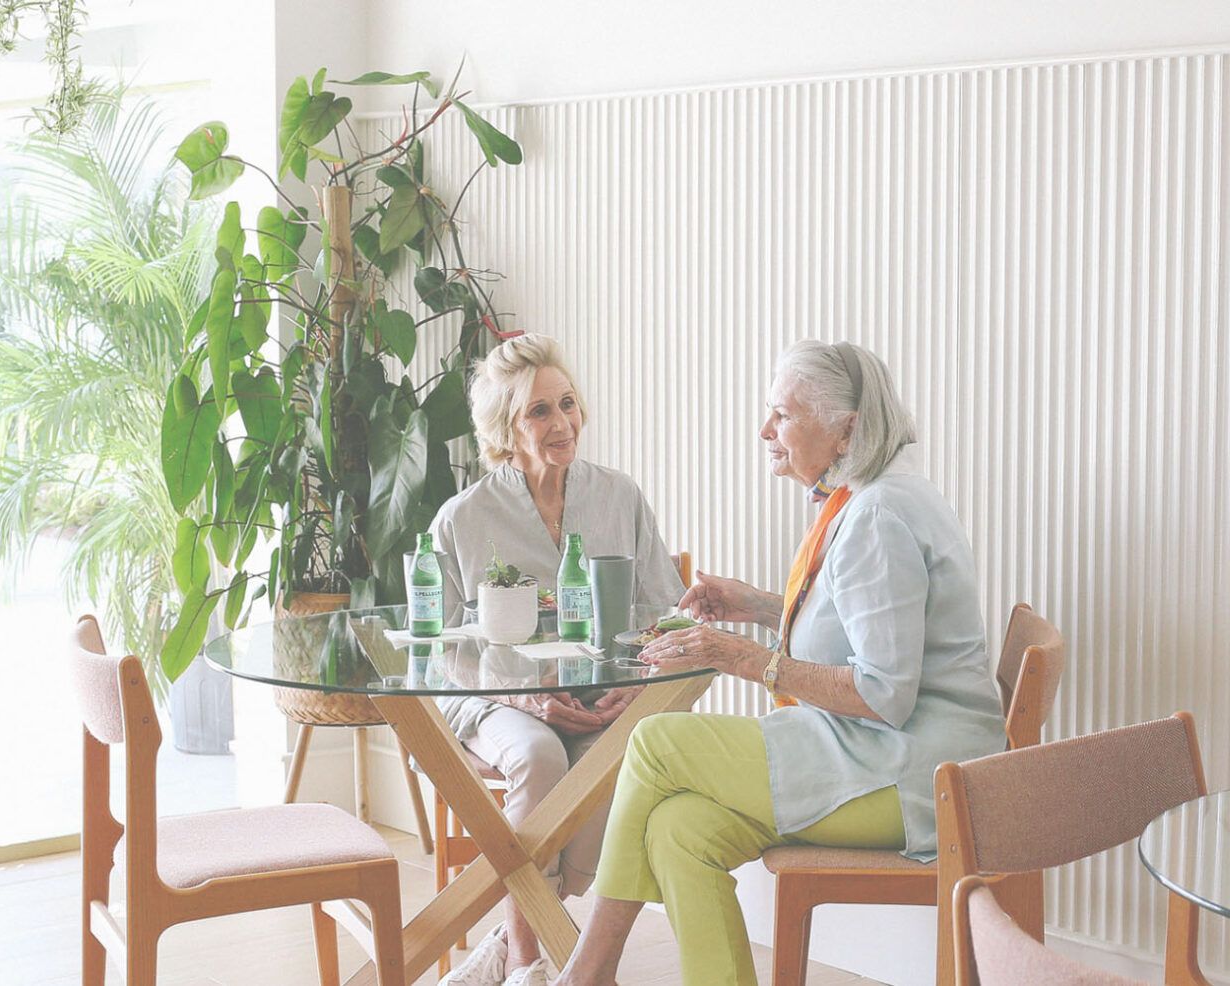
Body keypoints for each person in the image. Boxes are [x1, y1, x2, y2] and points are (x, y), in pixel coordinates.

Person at [552, 341, 1006, 986]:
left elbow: (884, 694)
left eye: (783, 416)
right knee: (681, 829)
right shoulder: (871, 496)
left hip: (919, 776)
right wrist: (761, 606)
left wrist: (743, 657)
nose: (766, 430)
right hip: (882, 751)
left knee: (655, 742)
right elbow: (861, 631)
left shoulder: (876, 516)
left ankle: (586, 975)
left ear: (845, 428)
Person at [428, 334, 685, 986]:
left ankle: (514, 937)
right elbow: (440, 649)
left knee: (617, 757)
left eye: (566, 404)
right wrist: (522, 697)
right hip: (498, 700)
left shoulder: (619, 497)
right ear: (506, 430)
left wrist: (641, 682)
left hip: (600, 697)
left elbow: (664, 613)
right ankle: (525, 958)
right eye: (539, 411)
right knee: (541, 759)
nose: (561, 423)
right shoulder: (463, 519)